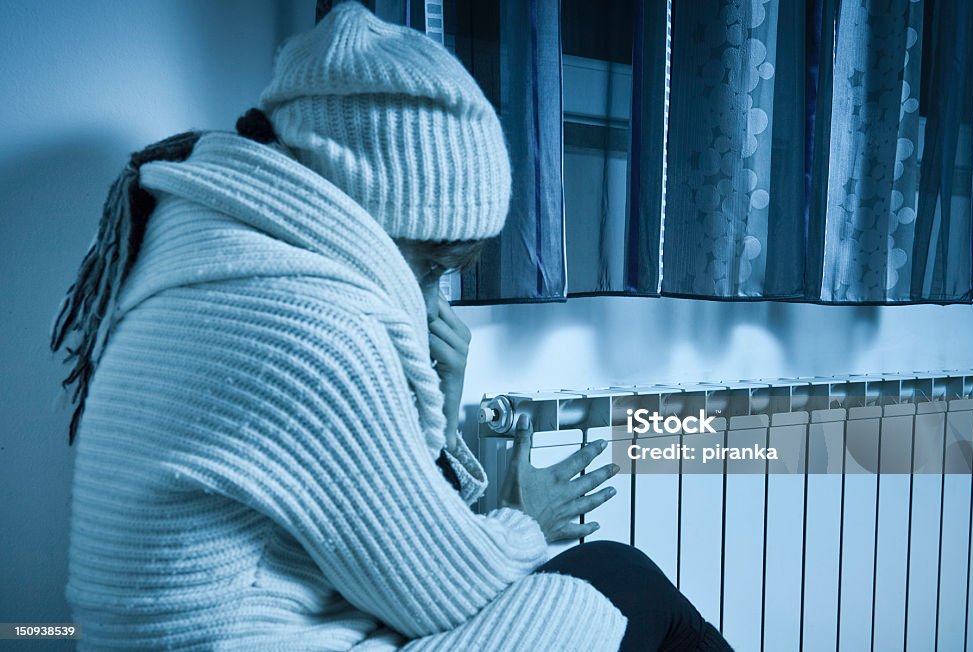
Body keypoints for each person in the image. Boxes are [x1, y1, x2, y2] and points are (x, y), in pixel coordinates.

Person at [51, 3, 731, 650]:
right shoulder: (310, 325)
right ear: (365, 217)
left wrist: (442, 385)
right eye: (433, 267)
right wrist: (530, 518)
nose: (434, 302)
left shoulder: (210, 263)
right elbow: (445, 592)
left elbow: (377, 543)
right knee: (622, 577)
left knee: (610, 582)